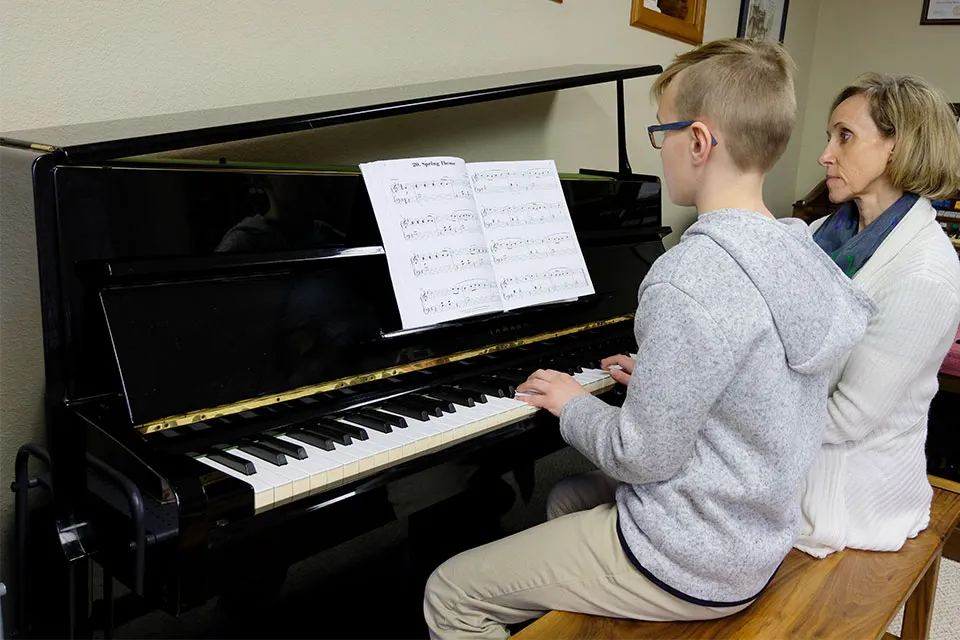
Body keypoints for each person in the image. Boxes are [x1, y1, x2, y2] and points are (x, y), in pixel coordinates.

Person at [422, 38, 874, 639]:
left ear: (699, 141)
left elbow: (641, 456)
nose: (660, 150)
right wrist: (667, 379)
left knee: (449, 592)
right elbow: (755, 379)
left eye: (662, 133)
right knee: (566, 497)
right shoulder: (797, 250)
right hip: (753, 536)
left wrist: (572, 402)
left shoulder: (690, 275)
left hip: (693, 559)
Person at [792, 74, 960, 558]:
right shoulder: (827, 228)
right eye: (829, 136)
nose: (826, 154)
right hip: (794, 442)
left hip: (844, 490)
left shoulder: (924, 274)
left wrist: (724, 409)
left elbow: (846, 420)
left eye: (844, 136)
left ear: (898, 148)